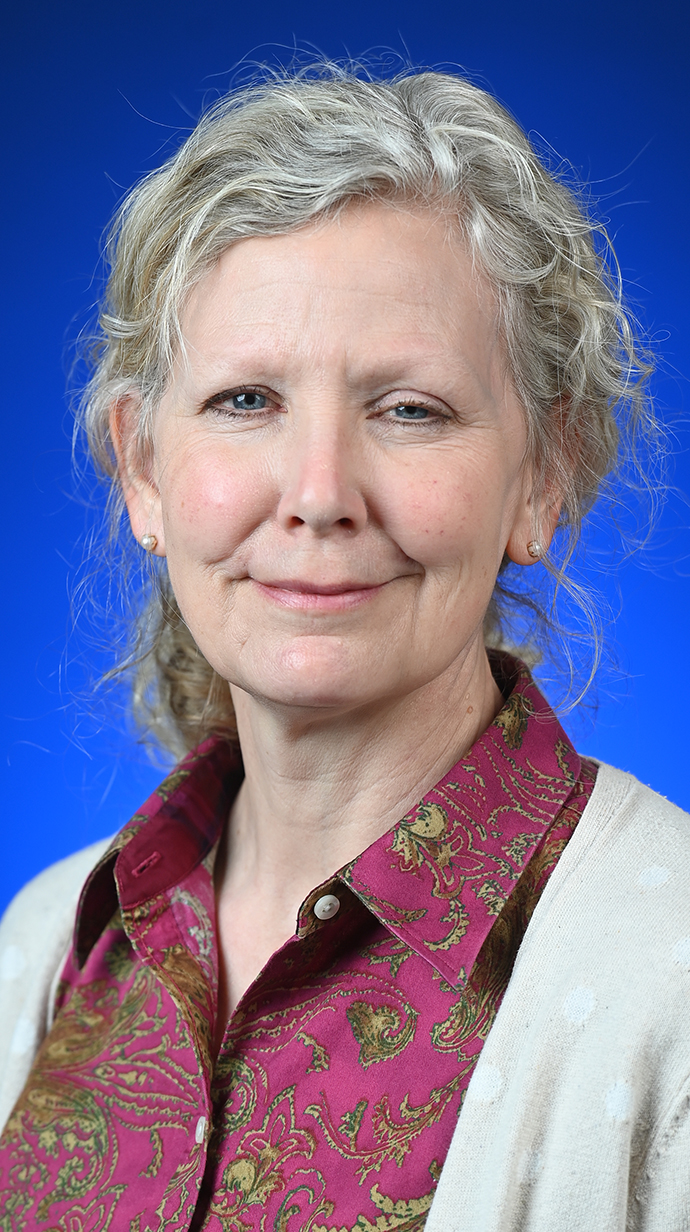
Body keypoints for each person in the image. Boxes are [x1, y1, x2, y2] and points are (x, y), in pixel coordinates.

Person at [0, 67, 688, 1232]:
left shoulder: (669, 982)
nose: (318, 494)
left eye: (409, 408)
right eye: (244, 399)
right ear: (142, 469)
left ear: (543, 474)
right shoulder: (41, 949)